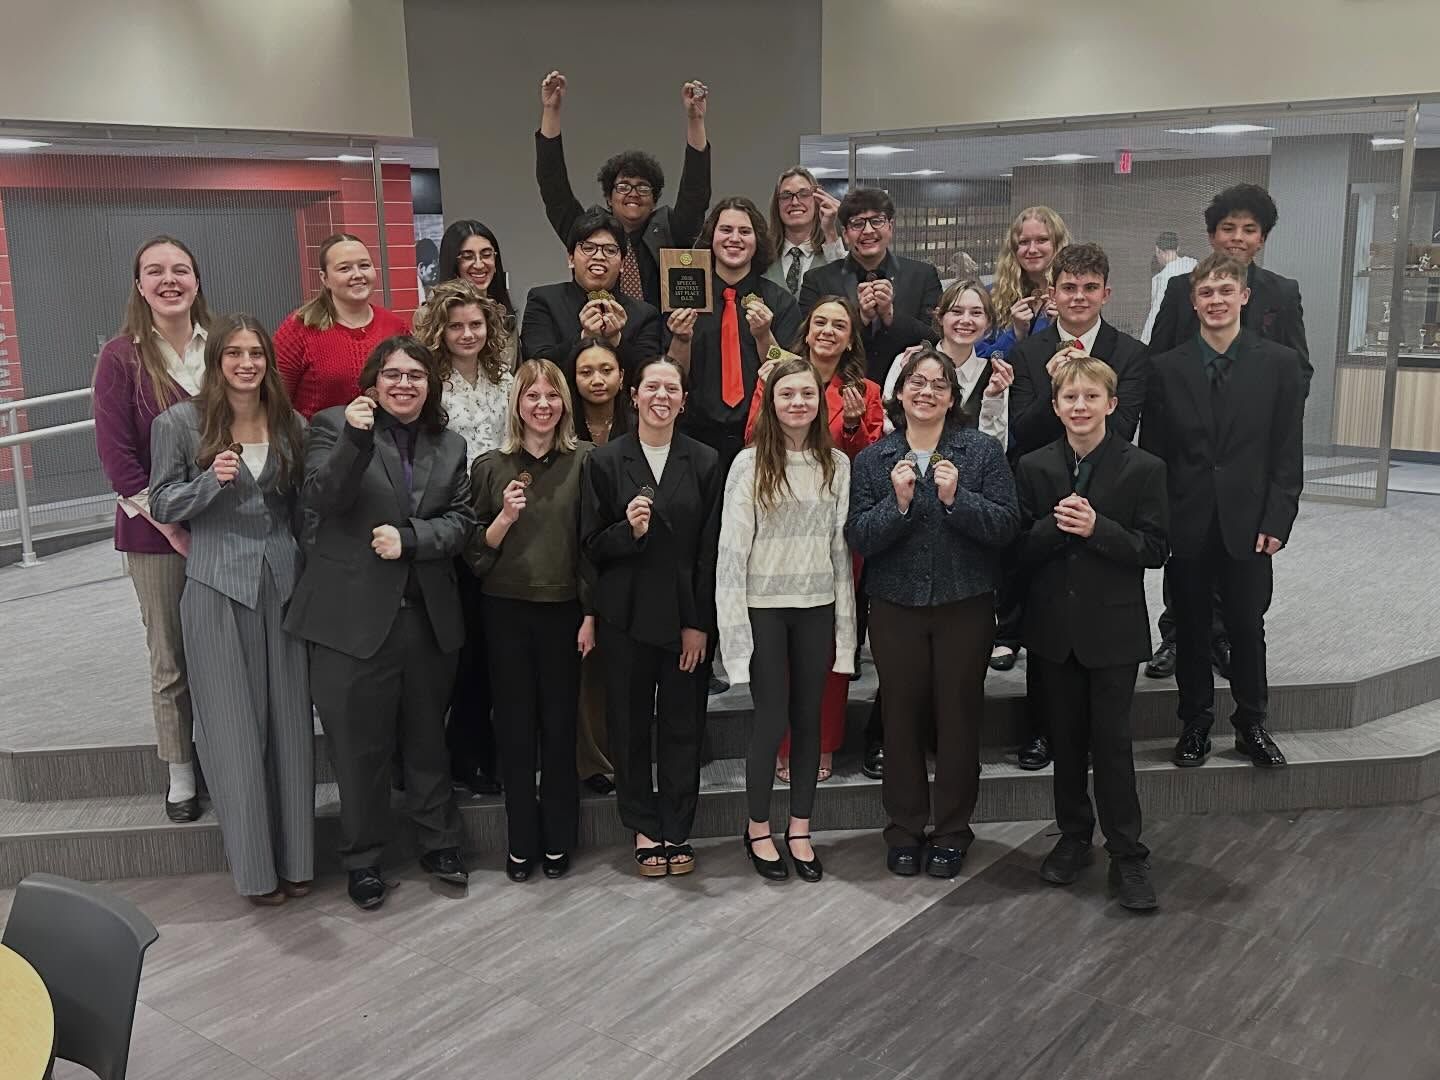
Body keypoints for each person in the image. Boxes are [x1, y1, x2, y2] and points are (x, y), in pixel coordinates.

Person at [284, 336, 474, 911]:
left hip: (425, 618)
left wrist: (412, 540)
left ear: (430, 384)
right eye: (392, 375)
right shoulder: (332, 425)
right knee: (358, 750)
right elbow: (321, 497)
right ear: (371, 381)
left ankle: (439, 844)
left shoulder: (452, 443)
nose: (404, 384)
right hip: (351, 621)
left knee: (426, 741)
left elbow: (462, 523)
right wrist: (356, 439)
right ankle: (363, 860)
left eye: (416, 375)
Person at [148, 314, 313, 905]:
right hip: (217, 587)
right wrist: (208, 484)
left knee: (292, 726)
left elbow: (299, 510)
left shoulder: (292, 424)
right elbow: (161, 500)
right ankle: (255, 872)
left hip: (283, 585)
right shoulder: (178, 424)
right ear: (216, 361)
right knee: (234, 731)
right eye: (234, 354)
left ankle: (297, 860)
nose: (247, 364)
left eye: (256, 354)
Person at [846, 345, 1019, 879]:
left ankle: (950, 830)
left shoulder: (981, 453)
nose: (926, 392)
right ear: (899, 392)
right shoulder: (873, 459)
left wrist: (955, 498)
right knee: (899, 717)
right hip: (895, 607)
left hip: (963, 605)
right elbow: (859, 536)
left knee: (958, 717)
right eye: (916, 383)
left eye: (939, 385)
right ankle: (902, 829)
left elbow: (1006, 525)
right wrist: (896, 506)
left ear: (953, 396)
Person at [1015, 354, 1168, 912]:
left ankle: (1127, 852)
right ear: (1055, 407)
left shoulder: (1143, 468)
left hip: (1112, 632)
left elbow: (1154, 549)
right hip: (1054, 630)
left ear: (1111, 403)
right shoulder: (1033, 467)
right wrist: (1057, 529)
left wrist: (1098, 529)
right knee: (1066, 740)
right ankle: (1074, 836)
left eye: (1090, 398)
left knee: (1113, 744)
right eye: (1069, 399)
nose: (1080, 407)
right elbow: (1020, 547)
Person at [1140, 254, 1303, 773]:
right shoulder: (1167, 369)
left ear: (1244, 297)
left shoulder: (1278, 364)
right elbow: (1155, 454)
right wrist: (1158, 520)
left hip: (1250, 522)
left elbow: (1286, 451)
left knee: (1246, 626)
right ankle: (1195, 723)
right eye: (1206, 293)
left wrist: (1278, 519)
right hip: (1186, 519)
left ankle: (1252, 723)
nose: (1216, 301)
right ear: (1193, 301)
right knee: (1188, 627)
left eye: (1225, 291)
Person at [1146, 183, 1311, 680]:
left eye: (1249, 230)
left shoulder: (1281, 291)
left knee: (1244, 552)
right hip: (1192, 438)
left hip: (1250, 448)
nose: (1237, 238)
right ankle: (1179, 636)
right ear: (1212, 234)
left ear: (1262, 238)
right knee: (1189, 552)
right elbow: (1160, 359)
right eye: (1227, 228)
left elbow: (1299, 368)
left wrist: (1266, 414)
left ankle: (1227, 639)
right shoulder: (1181, 288)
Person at [1004, 243, 1152, 766]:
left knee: (1098, 620)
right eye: (1069, 288)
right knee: (1045, 623)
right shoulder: (1028, 352)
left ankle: (1096, 732)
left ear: (1106, 293)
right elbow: (1019, 433)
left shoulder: (1130, 352)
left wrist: (1083, 389)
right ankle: (1042, 729)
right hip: (1044, 490)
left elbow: (1125, 426)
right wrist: (1052, 385)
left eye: (1090, 288)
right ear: (1053, 293)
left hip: (1111, 497)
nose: (1079, 297)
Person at [580, 357, 723, 877]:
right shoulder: (604, 461)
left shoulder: (706, 461)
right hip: (625, 617)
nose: (661, 396)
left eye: (672, 389)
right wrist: (629, 532)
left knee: (684, 726)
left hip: (684, 617)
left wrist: (699, 623)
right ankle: (642, 824)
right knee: (630, 725)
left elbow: (710, 551)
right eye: (652, 387)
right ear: (634, 395)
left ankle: (678, 826)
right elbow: (591, 546)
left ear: (684, 400)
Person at [720, 359, 855, 883]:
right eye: (787, 395)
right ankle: (757, 828)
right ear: (771, 404)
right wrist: (734, 638)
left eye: (807, 394)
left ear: (820, 402)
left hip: (816, 607)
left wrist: (845, 636)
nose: (798, 403)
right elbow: (731, 555)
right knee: (771, 721)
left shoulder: (836, 465)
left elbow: (841, 554)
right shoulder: (748, 465)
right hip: (765, 610)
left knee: (809, 724)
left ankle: (800, 827)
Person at [92, 235, 210, 822]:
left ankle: (225, 754)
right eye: (155, 271)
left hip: (223, 530)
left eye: (181, 270)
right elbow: (119, 460)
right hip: (153, 536)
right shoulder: (121, 357)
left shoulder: (222, 349)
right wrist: (170, 528)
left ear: (196, 281)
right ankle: (181, 772)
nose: (170, 280)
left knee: (223, 650)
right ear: (139, 285)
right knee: (171, 657)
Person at [743, 298, 882, 785]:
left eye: (839, 325)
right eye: (820, 321)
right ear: (807, 329)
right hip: (778, 536)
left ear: (850, 338)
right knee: (779, 654)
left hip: (834, 538)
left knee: (828, 649)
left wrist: (848, 424)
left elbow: (868, 468)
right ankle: (783, 742)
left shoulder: (866, 391)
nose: (828, 331)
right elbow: (752, 445)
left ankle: (821, 742)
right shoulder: (775, 376)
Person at [466, 359, 594, 882]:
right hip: (506, 611)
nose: (542, 405)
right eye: (531, 396)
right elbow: (473, 554)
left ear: (564, 404)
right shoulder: (491, 467)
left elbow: (591, 546)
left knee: (560, 729)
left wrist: (591, 614)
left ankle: (559, 838)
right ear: (516, 405)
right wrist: (504, 518)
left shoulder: (586, 461)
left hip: (565, 610)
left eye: (551, 396)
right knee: (516, 730)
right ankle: (521, 842)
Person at [413, 279, 514, 797]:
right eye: (456, 326)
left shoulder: (505, 379)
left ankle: (485, 754)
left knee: (492, 649)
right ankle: (454, 757)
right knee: (458, 651)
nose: (468, 333)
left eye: (476, 324)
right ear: (441, 331)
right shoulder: (429, 386)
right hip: (451, 523)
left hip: (501, 524)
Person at [535, 70, 712, 310]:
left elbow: (696, 192)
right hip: (595, 337)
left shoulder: (671, 231)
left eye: (643, 188)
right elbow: (553, 187)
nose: (633, 193)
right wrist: (551, 111)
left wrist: (695, 120)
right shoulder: (588, 229)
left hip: (660, 342)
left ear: (654, 199)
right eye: (623, 187)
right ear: (608, 197)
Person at [666, 196, 802, 480]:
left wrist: (764, 336)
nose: (734, 239)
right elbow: (671, 377)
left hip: (762, 439)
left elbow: (789, 377)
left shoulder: (780, 301)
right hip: (693, 440)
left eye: (745, 231)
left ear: (757, 241)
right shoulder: (685, 297)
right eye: (725, 230)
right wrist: (680, 339)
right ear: (711, 237)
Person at [566, 338, 635, 796]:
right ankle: (593, 760)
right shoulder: (562, 426)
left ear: (622, 377)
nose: (596, 379)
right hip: (576, 556)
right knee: (587, 670)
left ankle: (627, 751)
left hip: (631, 560)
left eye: (606, 369)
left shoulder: (639, 424)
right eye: (586, 370)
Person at [799, 188, 942, 384]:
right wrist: (861, 318)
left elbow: (936, 338)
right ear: (846, 234)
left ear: (890, 227)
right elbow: (806, 343)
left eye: (877, 221)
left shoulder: (923, 275)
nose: (868, 231)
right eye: (857, 224)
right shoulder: (818, 280)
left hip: (908, 395)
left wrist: (890, 315)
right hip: (837, 391)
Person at [274, 233, 409, 419]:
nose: (358, 275)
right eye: (344, 268)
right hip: (321, 443)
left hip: (387, 443)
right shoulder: (299, 329)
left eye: (364, 265)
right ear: (325, 278)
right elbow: (276, 401)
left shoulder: (395, 327)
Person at [520, 209, 663, 378]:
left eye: (610, 250)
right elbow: (536, 365)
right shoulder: (543, 300)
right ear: (571, 258)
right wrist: (585, 337)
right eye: (588, 248)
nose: (599, 256)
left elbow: (648, 377)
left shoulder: (645, 314)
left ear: (623, 263)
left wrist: (616, 340)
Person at [881, 279, 1012, 445]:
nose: (966, 320)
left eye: (976, 313)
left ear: (988, 323)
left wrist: (993, 398)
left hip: (972, 470)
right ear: (940, 317)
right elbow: (888, 429)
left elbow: (998, 447)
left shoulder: (994, 377)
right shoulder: (906, 362)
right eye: (956, 311)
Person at [979, 206, 1072, 361]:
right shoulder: (991, 296)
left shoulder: (1073, 297)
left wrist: (1062, 329)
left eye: (1042, 240)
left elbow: (1082, 360)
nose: (1032, 249)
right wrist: (1015, 333)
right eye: (1024, 242)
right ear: (1014, 249)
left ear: (1058, 244)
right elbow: (979, 360)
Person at [436, 220, 519, 370]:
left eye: (486, 255)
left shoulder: (505, 314)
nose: (479, 265)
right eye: (468, 257)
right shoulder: (431, 315)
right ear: (452, 263)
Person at [764, 167, 845, 298]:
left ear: (817, 200)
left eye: (804, 194)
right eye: (786, 196)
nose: (795, 202)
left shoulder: (833, 253)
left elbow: (845, 292)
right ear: (777, 204)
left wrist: (830, 231)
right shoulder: (764, 255)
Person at [1142, 232, 1196, 344]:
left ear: (1158, 250)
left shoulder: (1165, 276)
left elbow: (1157, 310)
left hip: (1172, 332)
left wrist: (1145, 341)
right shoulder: (1193, 265)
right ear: (1178, 248)